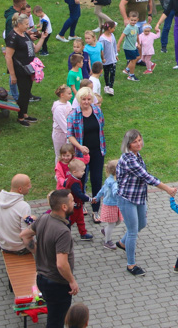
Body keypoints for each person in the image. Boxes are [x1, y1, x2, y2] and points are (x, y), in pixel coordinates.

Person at [116, 129, 177, 276]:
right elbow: (147, 177)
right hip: (127, 199)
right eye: (134, 142)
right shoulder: (129, 159)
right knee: (132, 231)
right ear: (128, 144)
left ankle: (122, 243)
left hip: (139, 197)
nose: (138, 143)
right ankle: (131, 265)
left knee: (141, 224)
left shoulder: (137, 155)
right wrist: (167, 188)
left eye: (139, 140)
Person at [19, 189, 78, 328]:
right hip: (57, 284)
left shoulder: (44, 218)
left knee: (53, 315)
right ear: (64, 207)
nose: (74, 203)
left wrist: (38, 252)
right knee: (55, 322)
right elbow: (61, 264)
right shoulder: (63, 231)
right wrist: (72, 281)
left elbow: (24, 235)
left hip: (42, 279)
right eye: (72, 201)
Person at [67, 87, 105, 222]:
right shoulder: (73, 114)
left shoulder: (97, 111)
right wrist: (79, 146)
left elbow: (101, 127)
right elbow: (70, 135)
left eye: (89, 99)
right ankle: (80, 204)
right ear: (79, 100)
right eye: (84, 99)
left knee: (96, 180)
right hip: (80, 154)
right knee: (81, 180)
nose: (86, 102)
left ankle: (96, 210)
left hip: (97, 151)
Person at [4, 14, 48, 127]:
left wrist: (42, 38)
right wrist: (13, 75)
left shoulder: (24, 34)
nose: (28, 26)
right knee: (23, 92)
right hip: (20, 69)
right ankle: (20, 117)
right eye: (26, 24)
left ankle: (25, 113)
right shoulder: (13, 36)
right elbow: (8, 57)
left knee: (27, 91)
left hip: (29, 68)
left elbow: (35, 49)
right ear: (19, 24)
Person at [0, 174, 33, 253]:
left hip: (3, 245)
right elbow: (25, 235)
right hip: (20, 248)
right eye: (28, 185)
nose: (30, 187)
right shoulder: (24, 207)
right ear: (20, 189)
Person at [62, 159, 93, 240]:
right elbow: (79, 194)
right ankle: (65, 235)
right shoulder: (75, 182)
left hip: (77, 205)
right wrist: (89, 199)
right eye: (82, 171)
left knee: (80, 220)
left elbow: (65, 184)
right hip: (74, 206)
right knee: (70, 221)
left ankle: (83, 233)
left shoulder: (70, 178)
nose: (84, 172)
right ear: (74, 172)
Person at [95, 159, 122, 249]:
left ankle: (105, 231)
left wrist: (97, 197)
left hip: (115, 205)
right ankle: (107, 241)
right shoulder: (114, 182)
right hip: (111, 205)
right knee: (112, 224)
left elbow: (102, 189)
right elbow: (115, 191)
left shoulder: (110, 179)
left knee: (118, 221)